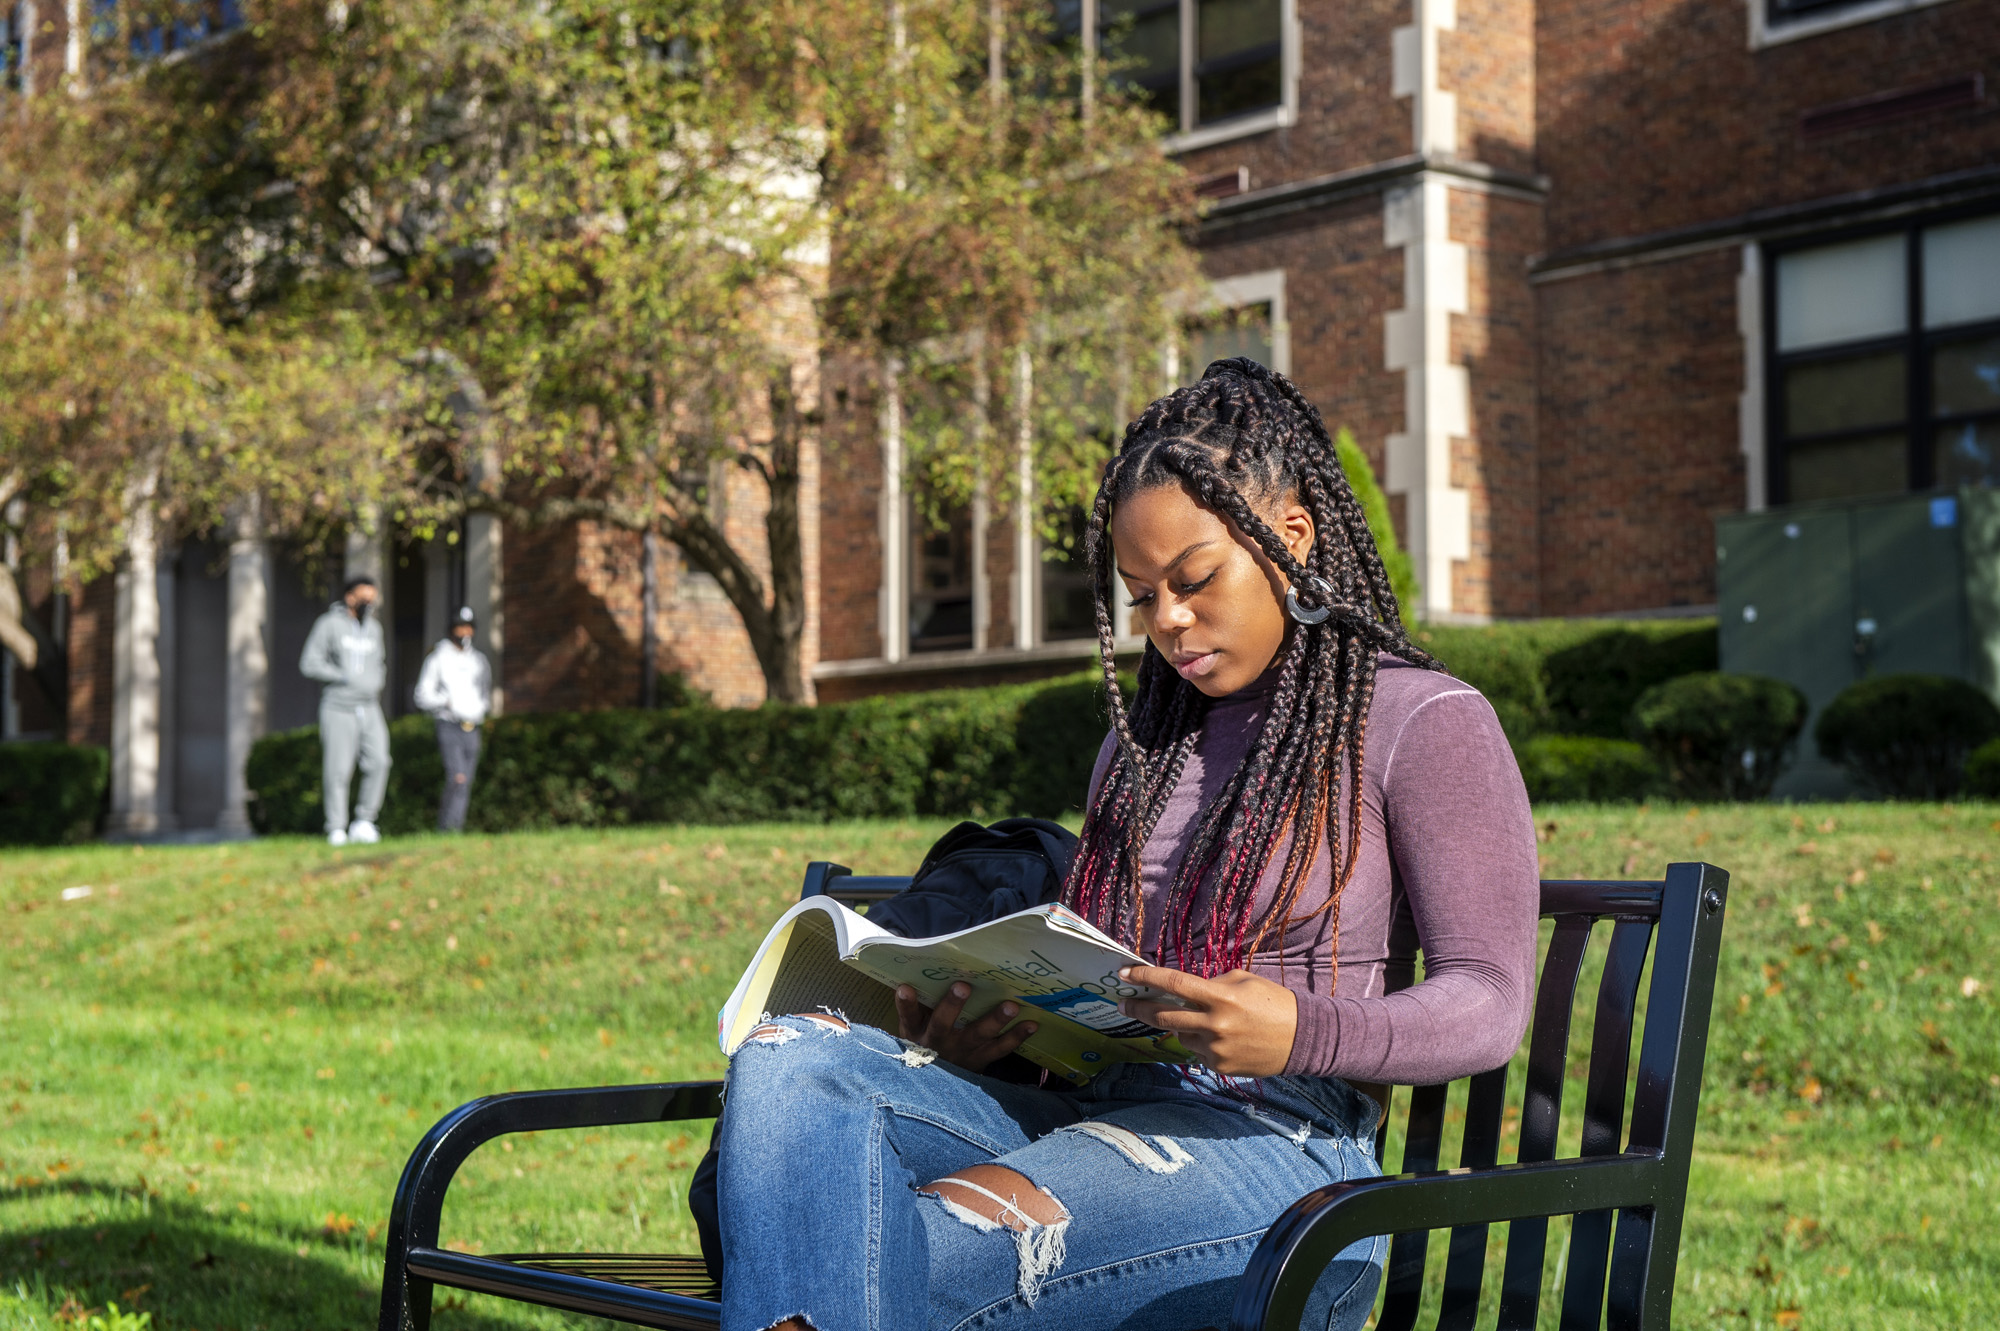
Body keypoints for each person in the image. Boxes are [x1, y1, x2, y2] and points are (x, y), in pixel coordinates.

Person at [711, 360, 1542, 1331]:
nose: (1168, 622)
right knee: (790, 1053)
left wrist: (1297, 1030)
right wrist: (990, 1040)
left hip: (1283, 1160)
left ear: (1291, 536)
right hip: (1092, 1114)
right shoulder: (1139, 743)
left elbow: (1488, 1002)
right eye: (1142, 596)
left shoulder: (1420, 717)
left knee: (884, 1258)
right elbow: (1099, 987)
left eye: (1193, 580)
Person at [299, 575, 392, 847]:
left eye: (372, 600)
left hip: (369, 706)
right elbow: (309, 663)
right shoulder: (329, 624)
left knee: (380, 761)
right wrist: (343, 677)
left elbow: (380, 663)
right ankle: (337, 827)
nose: (369, 605)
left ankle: (364, 821)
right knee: (338, 769)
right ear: (350, 597)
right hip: (338, 706)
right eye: (365, 599)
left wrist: (376, 682)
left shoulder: (374, 629)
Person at [413, 606, 493, 833]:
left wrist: (479, 710)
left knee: (465, 781)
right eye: (460, 627)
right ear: (452, 629)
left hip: (472, 726)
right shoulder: (438, 657)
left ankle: (455, 827)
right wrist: (446, 702)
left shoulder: (479, 661)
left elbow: (485, 693)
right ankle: (447, 828)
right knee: (457, 778)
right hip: (449, 725)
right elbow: (422, 695)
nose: (465, 632)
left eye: (469, 627)